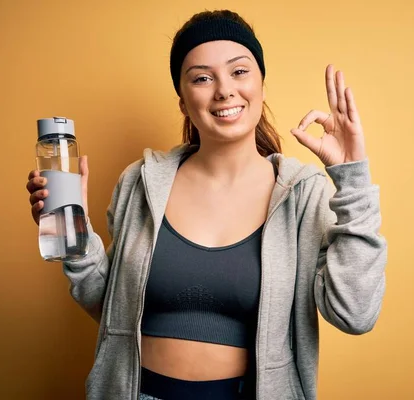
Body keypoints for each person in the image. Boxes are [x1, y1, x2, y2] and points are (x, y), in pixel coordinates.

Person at [26, 9, 387, 400]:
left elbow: (355, 313)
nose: (224, 91)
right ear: (183, 101)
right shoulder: (140, 182)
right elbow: (110, 308)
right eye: (201, 77)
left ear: (262, 85)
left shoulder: (303, 194)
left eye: (239, 71)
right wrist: (74, 234)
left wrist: (351, 179)